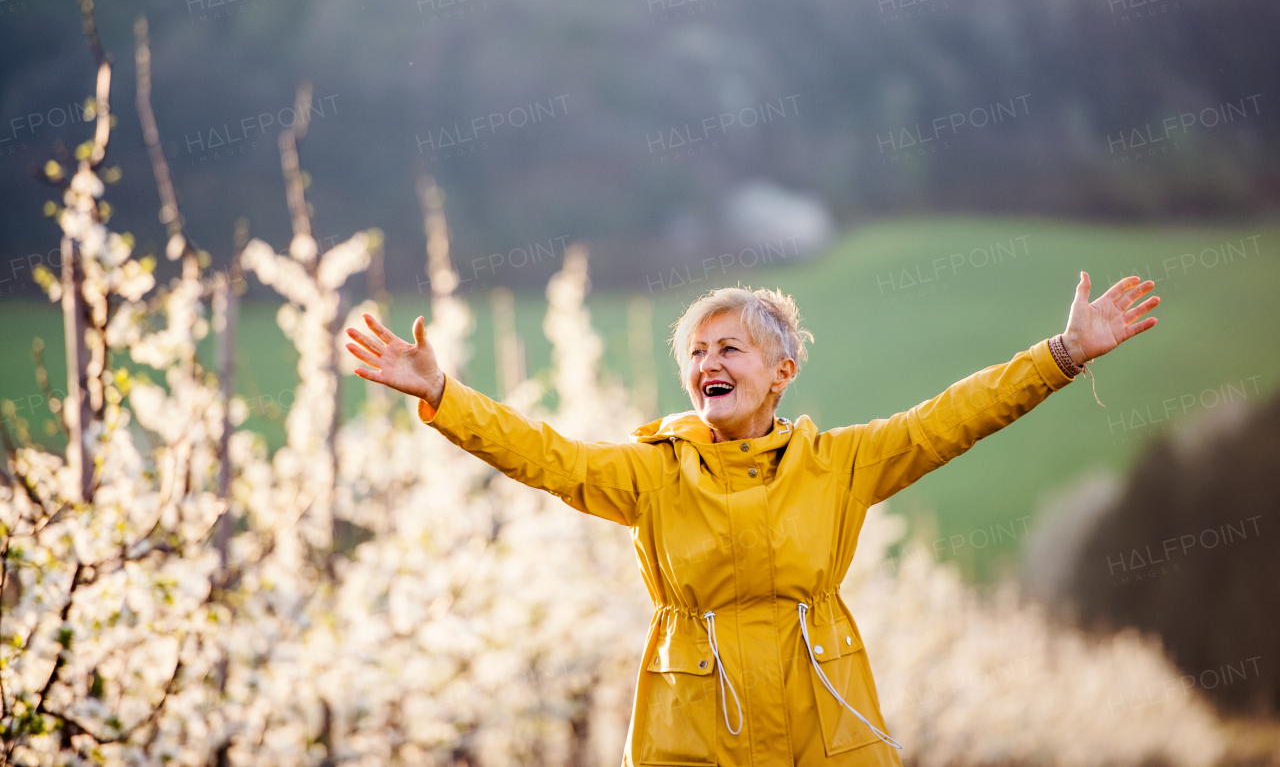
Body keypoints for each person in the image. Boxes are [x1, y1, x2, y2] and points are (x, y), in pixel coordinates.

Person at [345, 271, 1158, 767]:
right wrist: (444, 397)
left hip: (826, 729)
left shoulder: (841, 464)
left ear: (781, 373)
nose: (707, 364)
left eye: (729, 348)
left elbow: (952, 417)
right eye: (696, 353)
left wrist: (1063, 353)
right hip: (694, 735)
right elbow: (545, 454)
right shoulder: (652, 473)